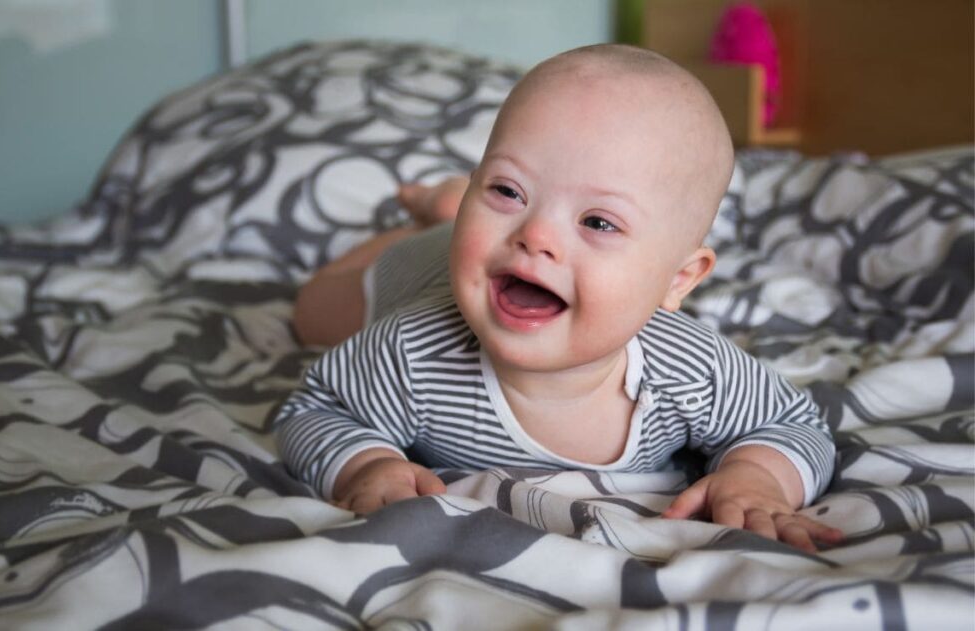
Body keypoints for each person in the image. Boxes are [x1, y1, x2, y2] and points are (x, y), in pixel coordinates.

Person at [275, 44, 842, 553]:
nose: (536, 234)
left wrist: (757, 476)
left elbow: (792, 425)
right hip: (414, 271)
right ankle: (433, 219)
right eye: (505, 190)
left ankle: (450, 205)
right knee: (312, 313)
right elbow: (316, 409)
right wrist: (364, 464)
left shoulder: (692, 371)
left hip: (467, 249)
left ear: (679, 280)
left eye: (597, 221)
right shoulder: (411, 349)